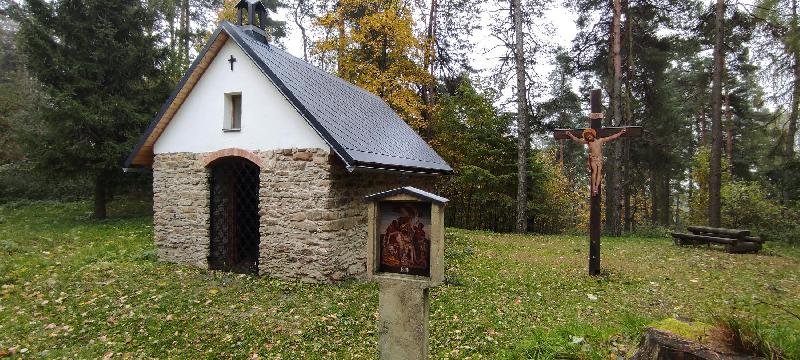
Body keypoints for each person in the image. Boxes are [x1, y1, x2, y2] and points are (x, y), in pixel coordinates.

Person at [566, 127, 627, 196]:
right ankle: (593, 187)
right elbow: (577, 140)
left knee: (599, 172)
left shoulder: (600, 140)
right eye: (587, 137)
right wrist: (570, 135)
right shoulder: (588, 143)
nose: (589, 138)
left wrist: (621, 132)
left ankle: (596, 187)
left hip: (599, 158)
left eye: (589, 136)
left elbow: (611, 137)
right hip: (593, 158)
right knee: (594, 171)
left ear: (592, 135)